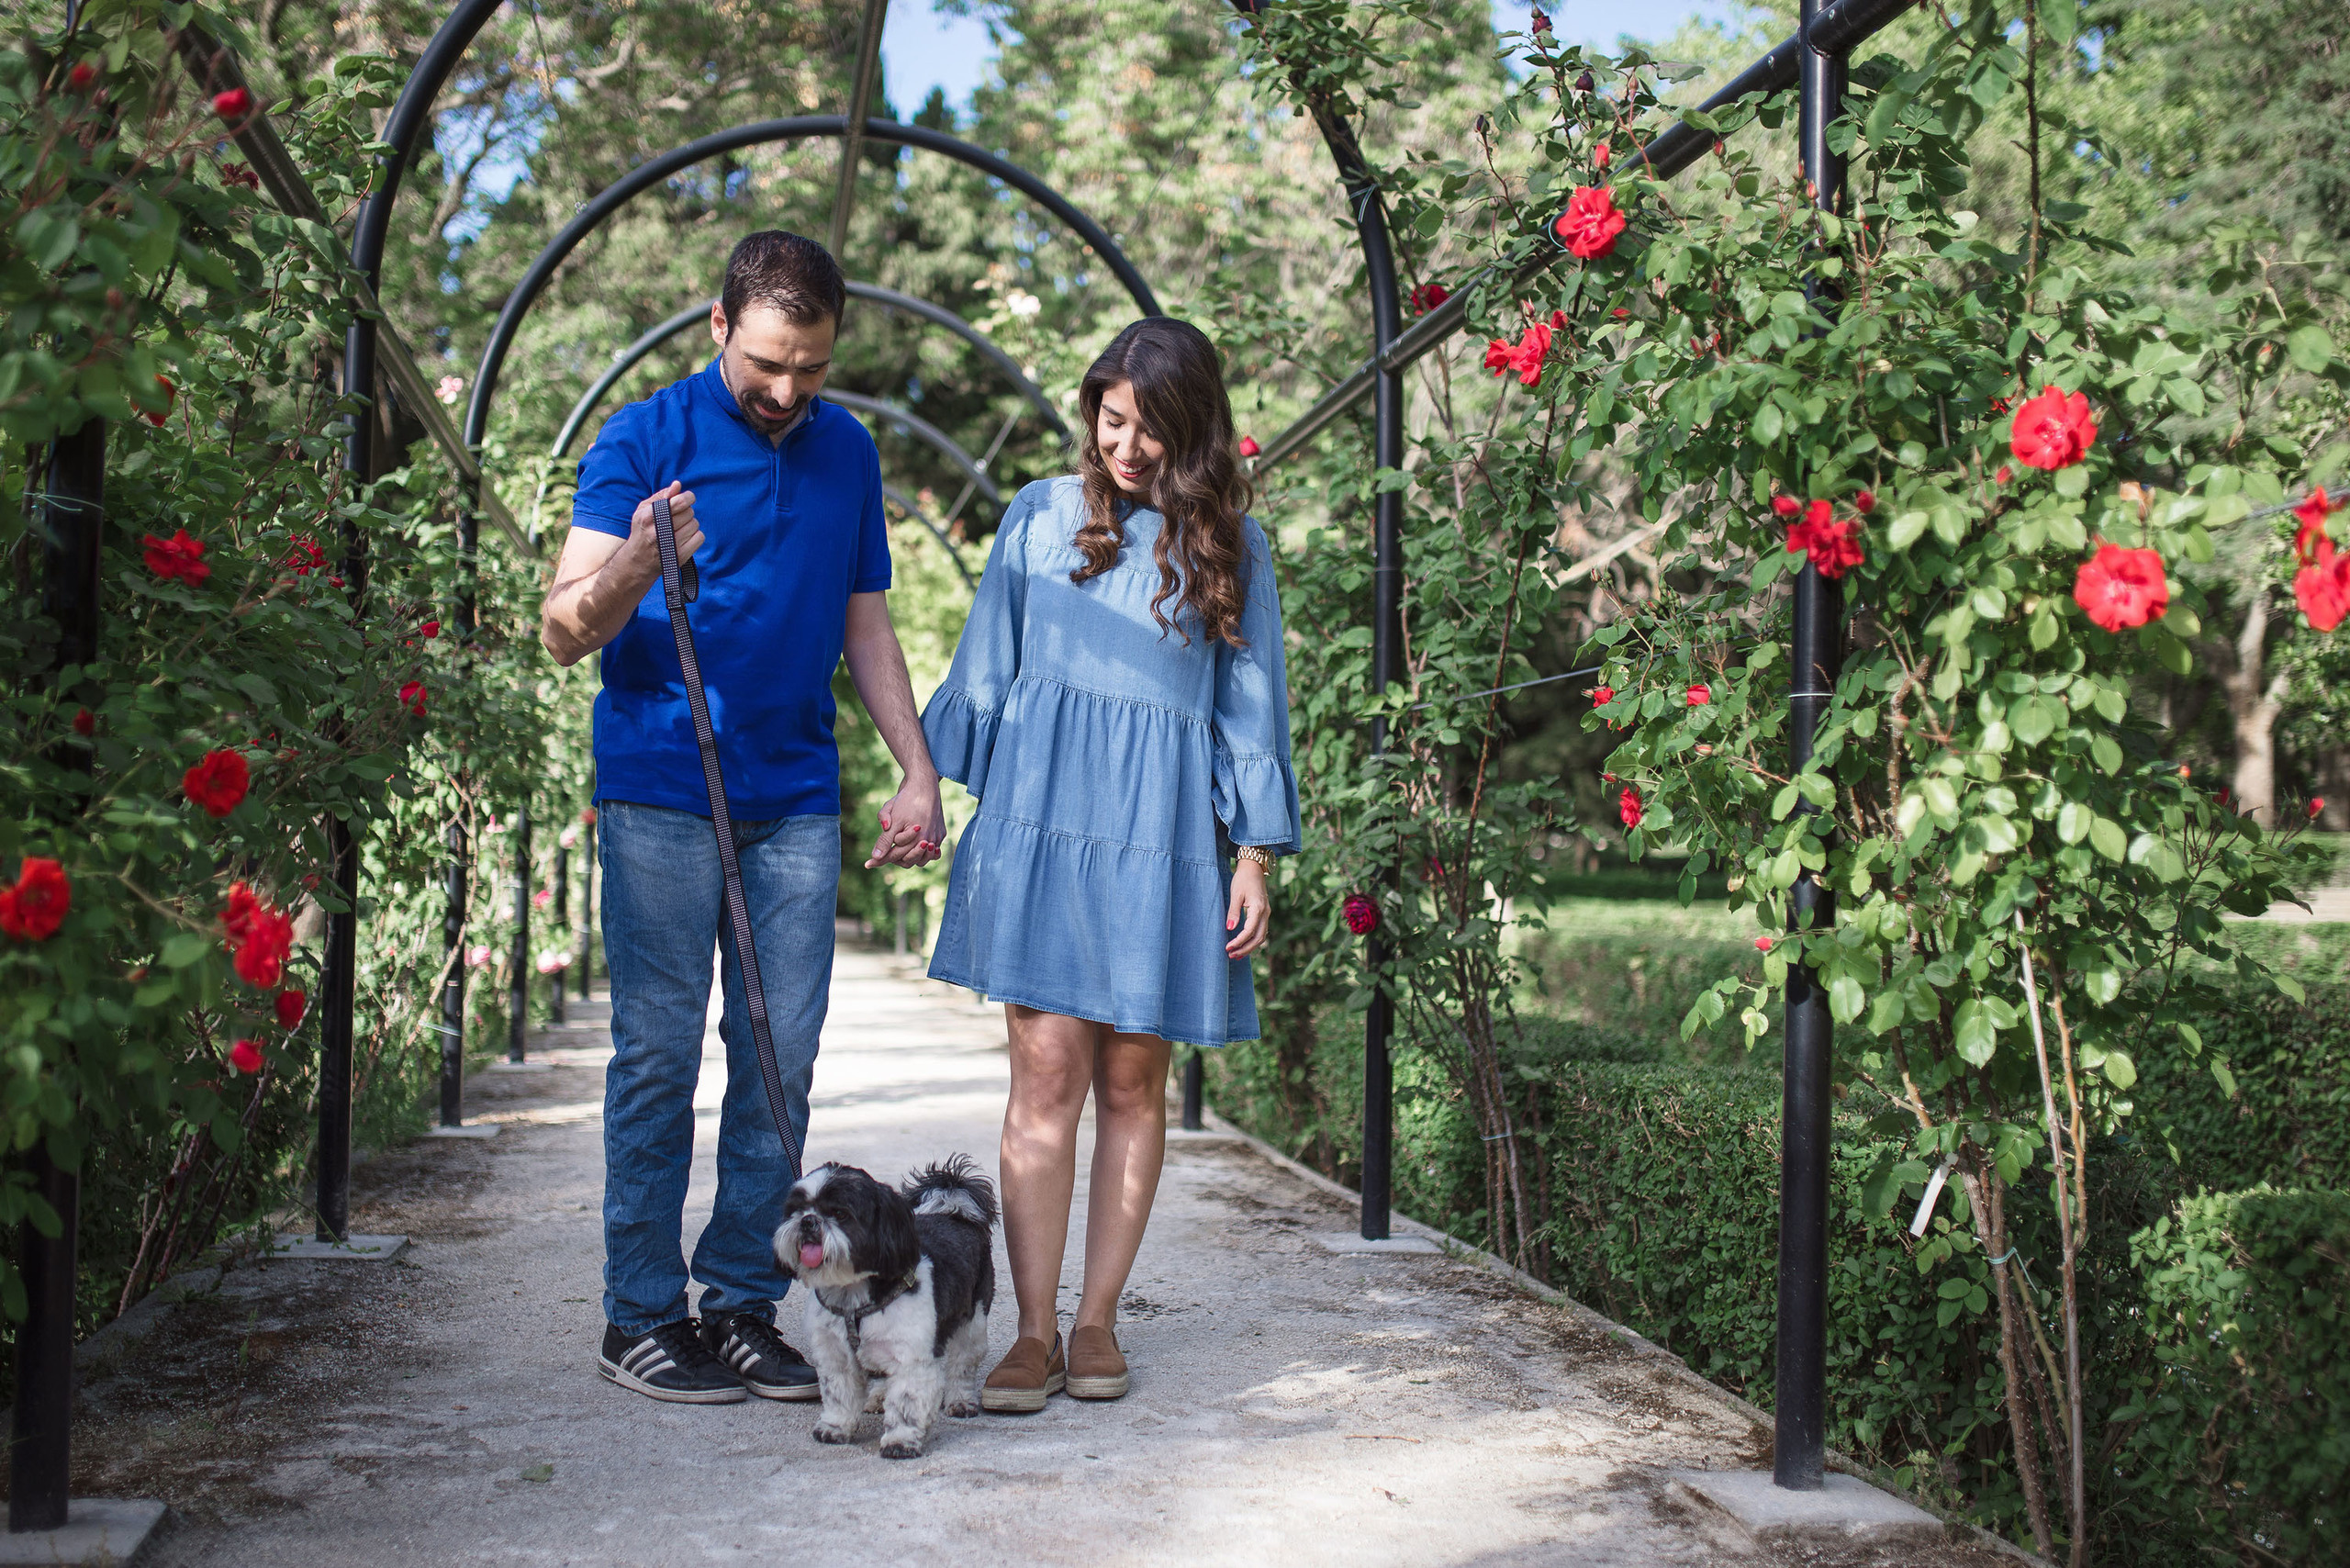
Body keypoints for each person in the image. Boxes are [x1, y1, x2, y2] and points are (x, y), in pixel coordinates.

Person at [541, 230, 945, 1406]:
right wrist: (633, 566)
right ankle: (639, 1313)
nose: (786, 390)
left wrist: (914, 768)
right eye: (769, 361)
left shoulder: (847, 452)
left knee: (782, 1064)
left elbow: (865, 623)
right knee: (659, 1058)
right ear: (718, 326)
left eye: (811, 368)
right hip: (663, 790)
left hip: (797, 800)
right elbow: (563, 627)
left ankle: (738, 1304)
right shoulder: (643, 438)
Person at [921, 317, 1300, 1410]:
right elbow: (985, 669)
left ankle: (1097, 1322)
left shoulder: (1232, 545)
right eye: (1112, 418)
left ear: (1193, 434)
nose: (1126, 446)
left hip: (1165, 837)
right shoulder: (1039, 517)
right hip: (1043, 826)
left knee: (1135, 1082)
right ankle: (1030, 1332)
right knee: (1046, 1077)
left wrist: (1254, 854)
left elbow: (1250, 705)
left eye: (1151, 429)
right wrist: (935, 800)